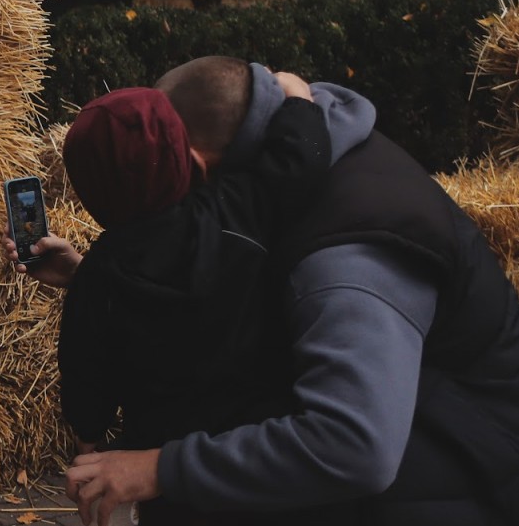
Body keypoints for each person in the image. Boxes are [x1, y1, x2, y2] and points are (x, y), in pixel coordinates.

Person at [45, 57, 519, 526]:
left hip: (501, 483)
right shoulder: (265, 190)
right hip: (444, 431)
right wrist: (296, 97)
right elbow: (231, 247)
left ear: (195, 165)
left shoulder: (345, 261)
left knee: (200, 478)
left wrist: (158, 468)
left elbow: (358, 448)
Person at [50, 81, 336, 524]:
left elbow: (84, 373)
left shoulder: (97, 276)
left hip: (166, 478)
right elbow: (304, 158)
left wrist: (88, 436)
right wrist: (296, 95)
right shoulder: (238, 210)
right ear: (187, 156)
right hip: (253, 457)